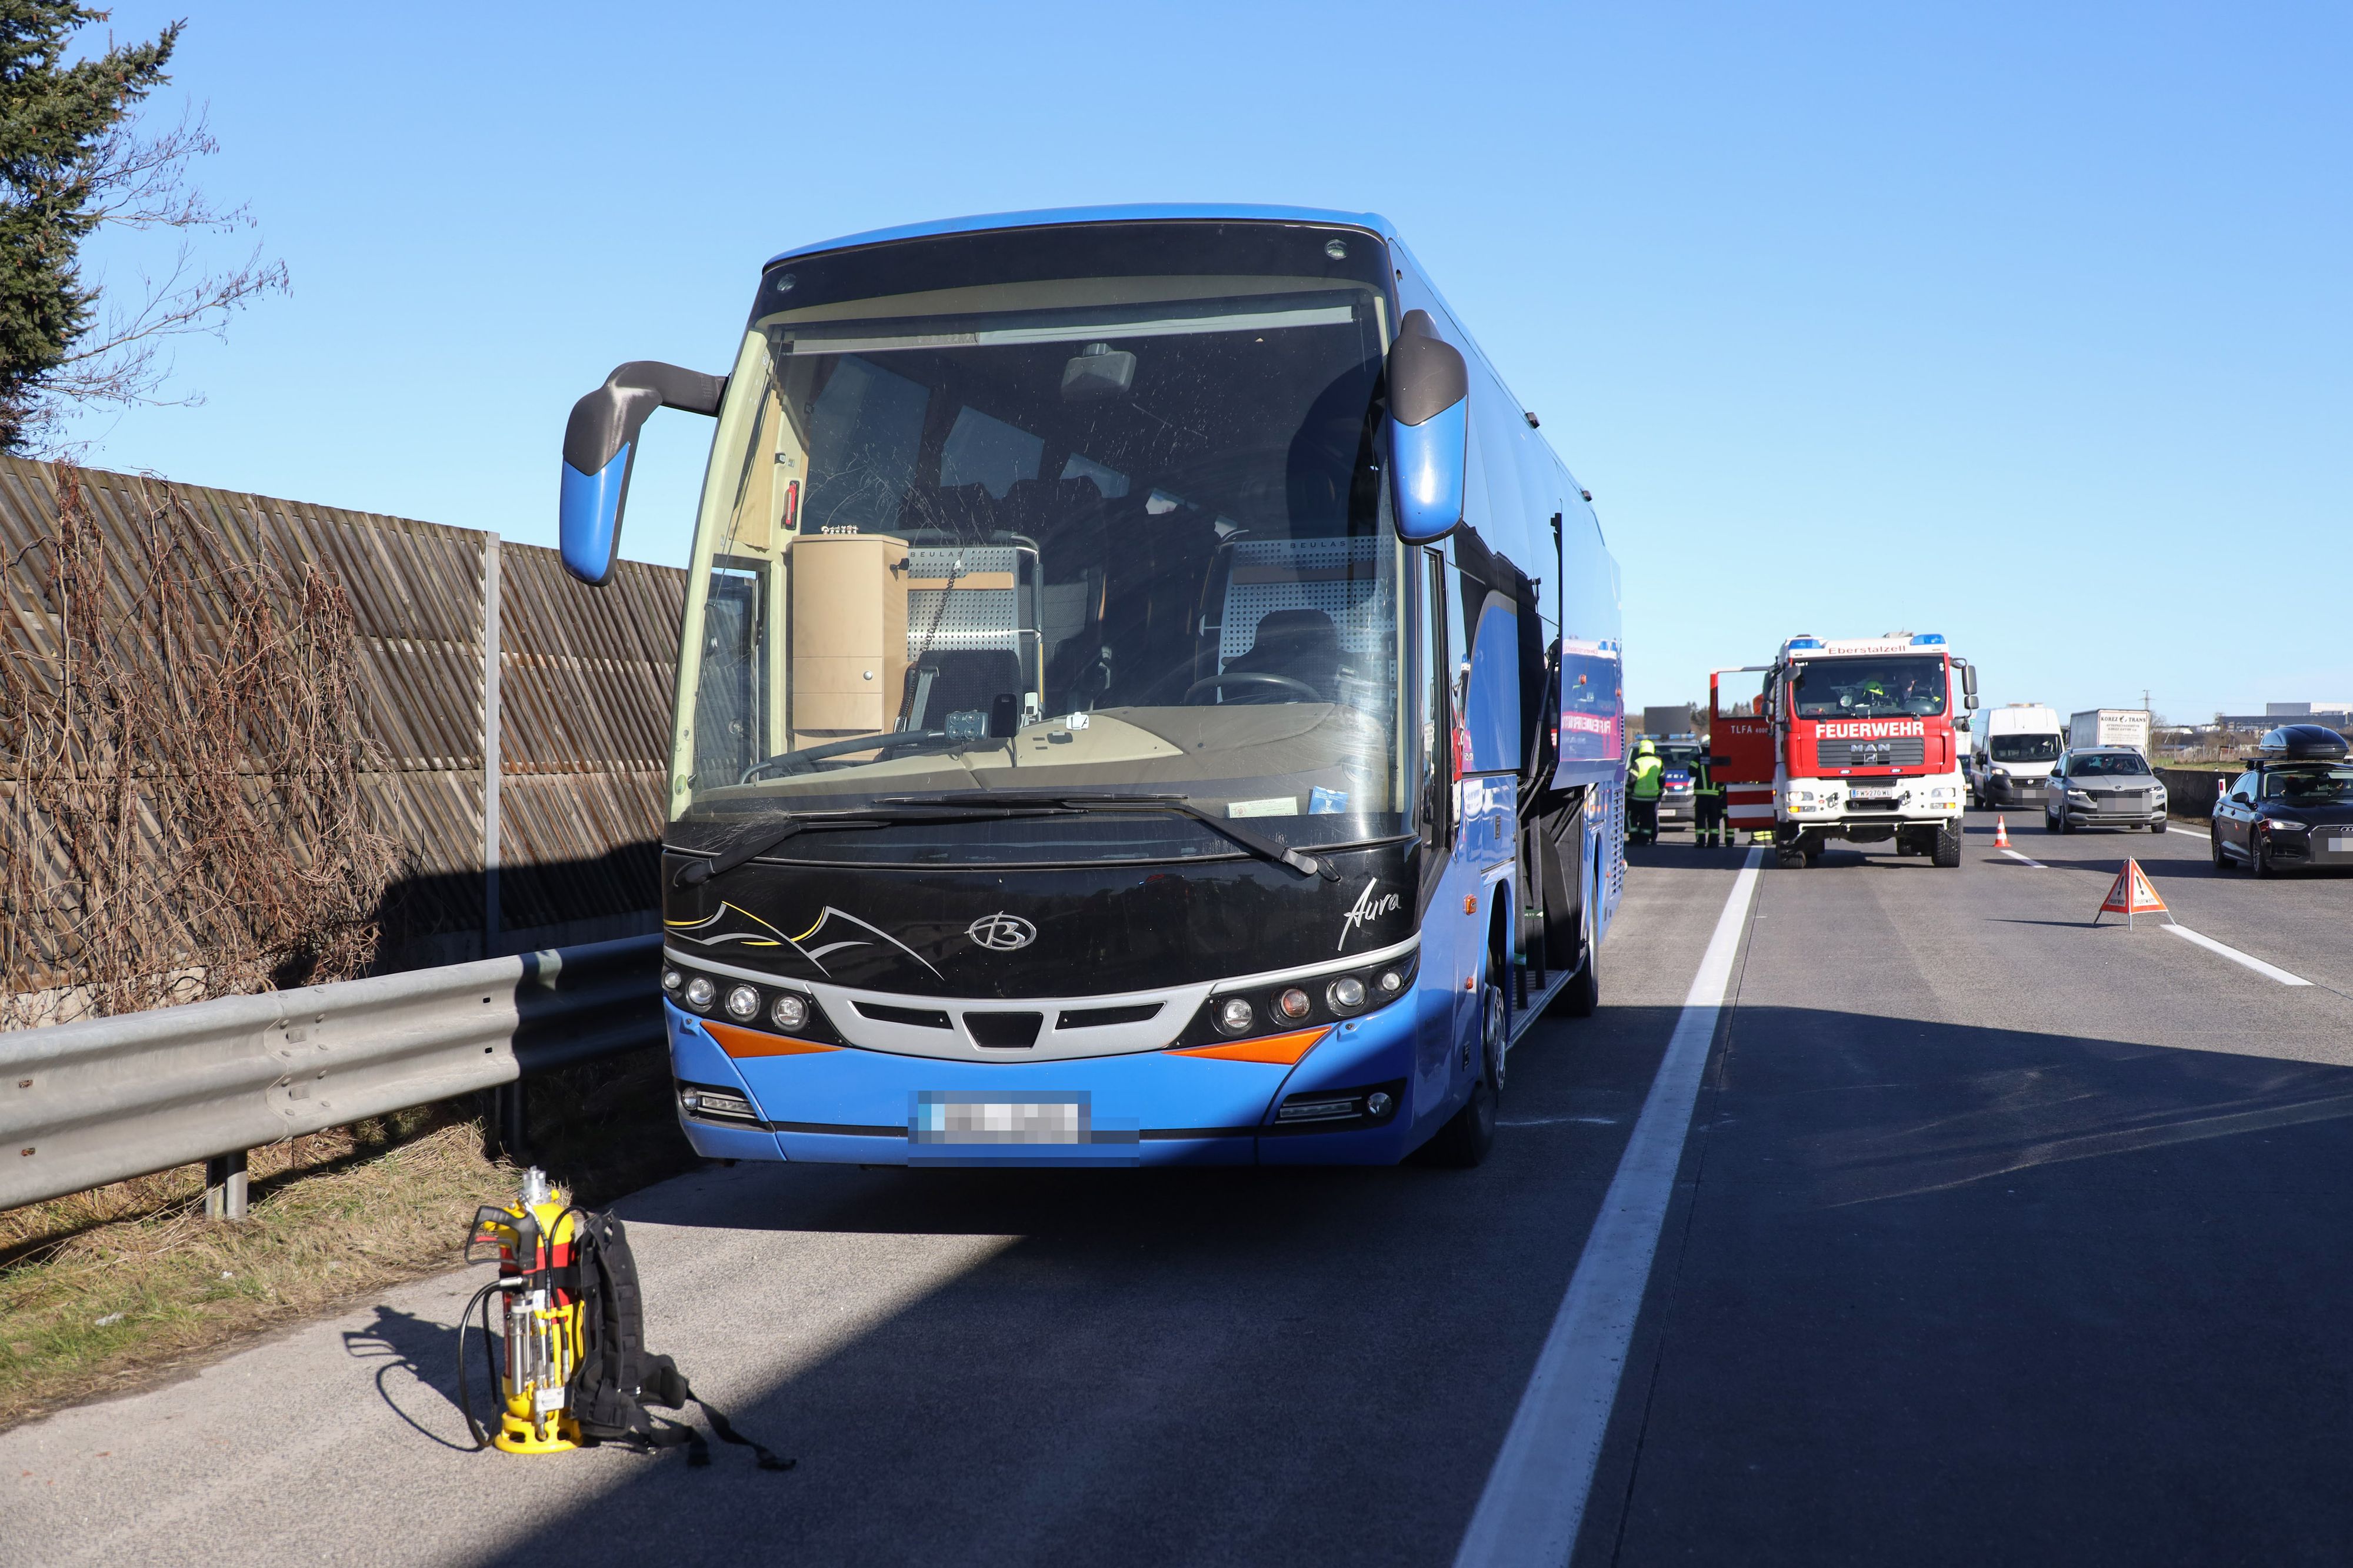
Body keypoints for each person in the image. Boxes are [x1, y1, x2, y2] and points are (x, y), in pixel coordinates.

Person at [1627, 737, 1663, 845]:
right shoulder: (1658, 763)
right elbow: (1662, 780)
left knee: (1632, 817)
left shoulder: (1637, 762)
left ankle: (1634, 838)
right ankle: (1645, 839)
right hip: (1652, 798)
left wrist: (1627, 793)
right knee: (1647, 819)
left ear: (1641, 749)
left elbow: (1632, 780)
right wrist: (1659, 794)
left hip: (1637, 797)